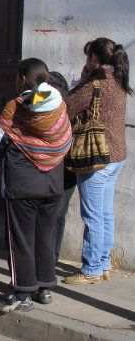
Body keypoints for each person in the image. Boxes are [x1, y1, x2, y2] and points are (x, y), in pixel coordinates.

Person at [0, 58, 71, 313]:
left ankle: (22, 291)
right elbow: (66, 137)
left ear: (23, 79)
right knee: (46, 235)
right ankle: (44, 288)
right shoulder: (58, 106)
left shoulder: (17, 106)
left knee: (20, 239)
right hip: (53, 182)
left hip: (22, 184)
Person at [64, 38, 133, 285]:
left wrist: (83, 79)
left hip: (96, 157)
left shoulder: (95, 84)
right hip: (116, 155)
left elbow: (67, 106)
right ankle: (103, 263)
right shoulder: (119, 81)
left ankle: (91, 268)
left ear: (94, 58)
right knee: (104, 213)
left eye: (87, 57)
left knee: (92, 214)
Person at [47, 71, 77, 262]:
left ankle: (49, 256)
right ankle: (51, 257)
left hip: (57, 170)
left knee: (53, 215)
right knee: (58, 214)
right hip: (66, 171)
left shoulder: (57, 110)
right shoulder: (72, 108)